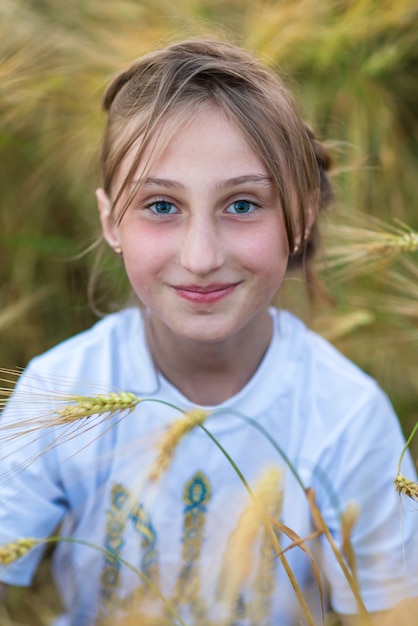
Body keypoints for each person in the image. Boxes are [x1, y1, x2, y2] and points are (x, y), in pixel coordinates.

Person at [0, 39, 417, 626]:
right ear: (109, 222)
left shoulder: (347, 419)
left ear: (298, 215)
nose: (200, 257)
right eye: (162, 206)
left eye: (243, 205)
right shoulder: (61, 391)